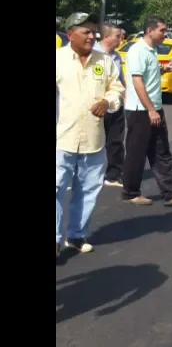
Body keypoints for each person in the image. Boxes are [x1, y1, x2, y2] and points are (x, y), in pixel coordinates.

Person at [56, 13, 125, 255]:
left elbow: (117, 89)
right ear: (70, 33)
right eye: (86, 31)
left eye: (93, 31)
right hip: (61, 138)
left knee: (87, 190)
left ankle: (76, 236)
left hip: (93, 139)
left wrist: (107, 101)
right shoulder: (58, 59)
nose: (92, 36)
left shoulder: (104, 61)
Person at [122, 15, 172, 206]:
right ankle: (130, 192)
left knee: (161, 151)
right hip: (141, 110)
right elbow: (137, 82)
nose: (165, 34)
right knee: (137, 152)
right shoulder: (138, 50)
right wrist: (150, 110)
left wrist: (164, 70)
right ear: (149, 30)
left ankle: (171, 193)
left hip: (154, 108)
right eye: (162, 30)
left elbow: (148, 77)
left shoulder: (152, 50)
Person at [94, 23, 127, 187]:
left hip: (115, 106)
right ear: (106, 37)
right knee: (93, 143)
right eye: (117, 35)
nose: (121, 38)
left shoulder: (117, 56)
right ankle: (88, 175)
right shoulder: (92, 54)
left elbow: (120, 80)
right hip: (97, 107)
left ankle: (113, 175)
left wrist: (125, 97)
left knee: (116, 141)